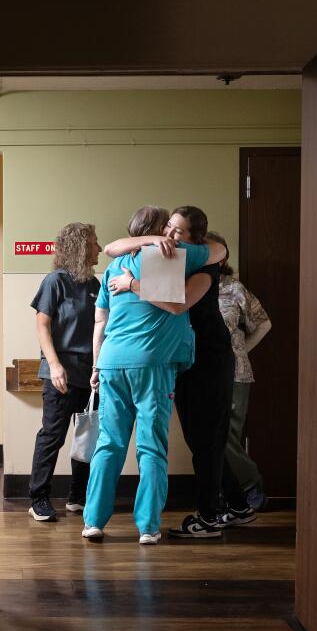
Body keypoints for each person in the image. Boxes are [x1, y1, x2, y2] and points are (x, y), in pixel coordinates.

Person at [82, 206, 226, 544]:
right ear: (160, 231)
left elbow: (99, 321)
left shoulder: (113, 267)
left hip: (112, 361)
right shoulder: (170, 257)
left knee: (109, 444)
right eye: (168, 228)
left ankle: (93, 522)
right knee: (151, 445)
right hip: (151, 363)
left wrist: (95, 366)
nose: (172, 235)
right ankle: (147, 526)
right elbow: (219, 251)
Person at [26, 222, 101, 522]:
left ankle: (77, 496)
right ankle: (38, 498)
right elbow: (42, 324)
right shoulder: (55, 280)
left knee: (87, 435)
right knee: (52, 435)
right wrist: (54, 365)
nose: (98, 247)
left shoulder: (95, 285)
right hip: (60, 372)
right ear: (81, 246)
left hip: (89, 374)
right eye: (95, 242)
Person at [216, 250, 272, 523]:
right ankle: (228, 495)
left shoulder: (234, 288)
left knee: (228, 435)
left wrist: (242, 350)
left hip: (235, 372)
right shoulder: (188, 286)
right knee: (209, 438)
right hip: (200, 374)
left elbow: (263, 323)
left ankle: (250, 484)